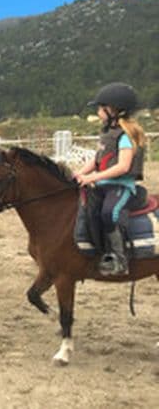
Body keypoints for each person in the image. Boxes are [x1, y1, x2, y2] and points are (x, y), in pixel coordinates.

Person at [75, 82, 145, 276]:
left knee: (110, 212)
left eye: (100, 107)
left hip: (121, 186)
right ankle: (99, 251)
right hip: (103, 183)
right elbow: (96, 160)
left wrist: (94, 177)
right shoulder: (107, 134)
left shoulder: (125, 136)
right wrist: (81, 173)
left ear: (114, 110)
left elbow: (122, 166)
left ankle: (120, 260)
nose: (98, 111)